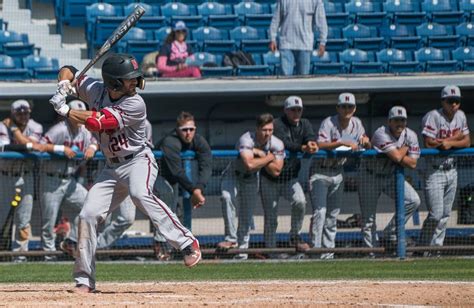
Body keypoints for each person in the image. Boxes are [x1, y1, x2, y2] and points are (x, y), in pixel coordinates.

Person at [48, 53, 201, 293]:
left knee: (140, 193)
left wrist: (66, 109)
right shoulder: (96, 90)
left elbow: (98, 121)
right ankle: (84, 280)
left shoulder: (135, 103)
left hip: (138, 160)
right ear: (114, 83)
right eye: (129, 79)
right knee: (87, 215)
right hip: (111, 167)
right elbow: (68, 68)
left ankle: (186, 242)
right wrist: (64, 83)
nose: (135, 82)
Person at [310, 93, 370, 259]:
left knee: (333, 215)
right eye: (343, 106)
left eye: (350, 106)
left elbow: (364, 142)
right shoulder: (329, 122)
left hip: (338, 171)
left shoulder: (357, 123)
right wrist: (341, 143)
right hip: (320, 171)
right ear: (337, 108)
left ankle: (328, 253)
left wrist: (366, 141)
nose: (346, 109)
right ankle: (316, 252)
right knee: (320, 213)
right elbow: (320, 144)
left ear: (354, 108)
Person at [39, 100, 98, 260]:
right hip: (51, 179)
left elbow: (94, 142)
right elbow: (40, 146)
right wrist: (61, 148)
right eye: (77, 115)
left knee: (90, 206)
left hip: (70, 180)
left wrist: (92, 148)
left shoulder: (85, 132)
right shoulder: (59, 129)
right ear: (69, 114)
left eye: (83, 114)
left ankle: (71, 240)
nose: (80, 118)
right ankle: (48, 257)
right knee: (49, 221)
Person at [358, 106, 421, 251]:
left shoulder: (411, 135)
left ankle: (390, 231)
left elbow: (413, 164)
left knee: (413, 200)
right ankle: (371, 253)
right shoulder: (381, 133)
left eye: (402, 120)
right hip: (369, 175)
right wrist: (406, 147)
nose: (400, 123)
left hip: (389, 176)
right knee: (368, 219)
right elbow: (397, 156)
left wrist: (401, 152)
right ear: (389, 121)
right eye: (396, 120)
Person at [260, 96, 318, 253]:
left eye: (299, 109)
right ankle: (270, 251)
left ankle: (294, 235)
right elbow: (285, 143)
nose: (296, 112)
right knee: (271, 218)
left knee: (300, 201)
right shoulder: (278, 124)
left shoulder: (304, 123)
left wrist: (312, 143)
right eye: (293, 110)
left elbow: (310, 136)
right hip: (269, 179)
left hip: (289, 177)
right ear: (286, 110)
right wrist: (303, 148)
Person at [153, 112, 212, 260]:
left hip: (173, 181)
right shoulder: (170, 141)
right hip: (153, 177)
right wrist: (193, 191)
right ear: (178, 129)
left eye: (191, 129)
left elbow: (206, 163)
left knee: (173, 212)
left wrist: (198, 189)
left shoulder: (198, 140)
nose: (188, 133)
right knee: (165, 207)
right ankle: (161, 248)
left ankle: (170, 250)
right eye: (184, 129)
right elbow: (177, 171)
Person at [418, 86, 470, 253]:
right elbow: (428, 142)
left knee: (446, 214)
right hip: (435, 170)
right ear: (443, 101)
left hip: (452, 169)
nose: (454, 104)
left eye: (457, 101)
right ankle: (423, 247)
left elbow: (467, 141)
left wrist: (450, 142)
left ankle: (436, 249)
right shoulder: (433, 116)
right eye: (450, 101)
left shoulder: (460, 116)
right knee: (435, 214)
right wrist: (455, 139)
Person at [233, 113, 285, 260]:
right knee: (226, 198)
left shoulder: (277, 143)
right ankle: (230, 239)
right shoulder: (246, 138)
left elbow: (276, 171)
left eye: (270, 130)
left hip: (251, 179)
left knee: (246, 217)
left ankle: (241, 254)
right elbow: (249, 164)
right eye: (264, 130)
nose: (267, 133)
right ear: (257, 129)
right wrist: (268, 157)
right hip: (233, 174)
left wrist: (259, 156)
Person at [96, 119, 153, 250]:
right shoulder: (105, 116)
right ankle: (81, 244)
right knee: (100, 215)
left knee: (127, 218)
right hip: (109, 170)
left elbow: (147, 148)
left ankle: (98, 245)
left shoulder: (145, 124)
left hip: (132, 171)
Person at [0, 100, 43, 261]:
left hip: (26, 176)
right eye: (19, 113)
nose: (23, 115)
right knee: (1, 216)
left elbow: (33, 145)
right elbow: (3, 147)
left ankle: (20, 256)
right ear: (13, 113)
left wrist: (14, 130)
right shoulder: (2, 126)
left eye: (26, 112)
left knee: (24, 218)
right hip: (5, 176)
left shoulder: (35, 126)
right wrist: (27, 145)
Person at [269, 0, 328, 76]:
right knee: (285, 80)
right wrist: (272, 38)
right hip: (286, 43)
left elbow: (321, 21)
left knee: (303, 80)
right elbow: (276, 19)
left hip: (305, 45)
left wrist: (323, 42)